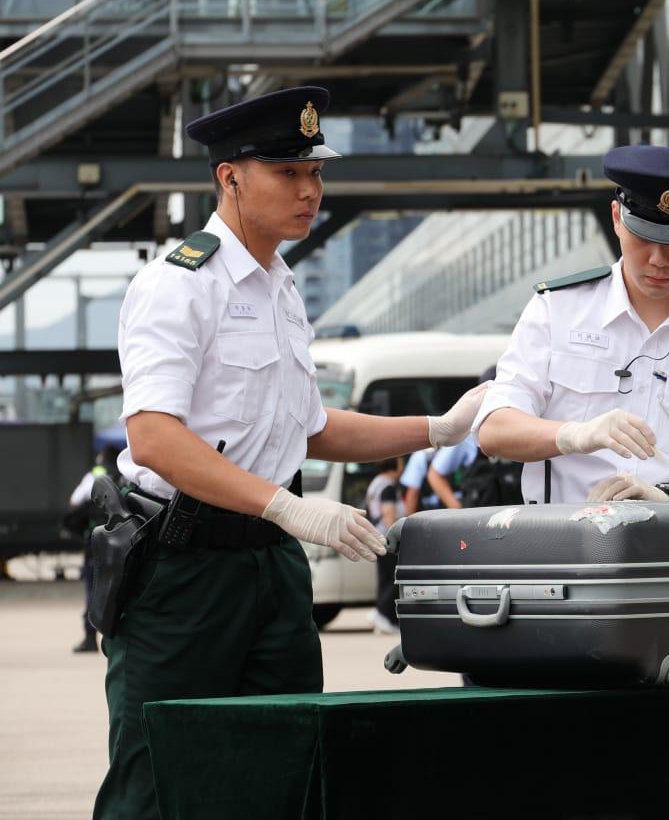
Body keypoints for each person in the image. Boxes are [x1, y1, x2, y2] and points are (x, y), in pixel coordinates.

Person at [95, 86, 489, 820]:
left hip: (270, 569)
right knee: (160, 782)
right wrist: (286, 504)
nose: (309, 190)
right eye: (287, 173)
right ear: (230, 177)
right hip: (183, 570)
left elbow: (307, 429)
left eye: (315, 174)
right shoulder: (177, 284)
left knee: (287, 768)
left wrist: (437, 429)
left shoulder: (281, 290)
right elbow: (154, 435)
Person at [474, 144, 669, 505]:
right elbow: (494, 428)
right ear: (617, 218)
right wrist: (575, 435)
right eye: (645, 237)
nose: (659, 259)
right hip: (565, 547)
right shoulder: (558, 310)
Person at [65, 445, 122, 654]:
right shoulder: (126, 474)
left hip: (97, 539)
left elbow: (74, 501)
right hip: (124, 539)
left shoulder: (94, 476)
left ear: (101, 457)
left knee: (94, 585)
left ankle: (90, 637)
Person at [364, 456, 405, 634]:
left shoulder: (375, 484)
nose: (402, 466)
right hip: (387, 539)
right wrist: (396, 539)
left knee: (385, 579)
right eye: (401, 462)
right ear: (393, 465)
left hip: (376, 537)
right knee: (397, 579)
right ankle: (382, 614)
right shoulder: (388, 486)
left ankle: (383, 618)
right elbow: (389, 515)